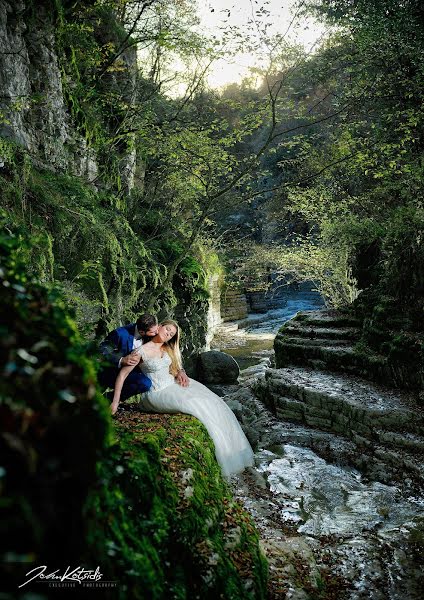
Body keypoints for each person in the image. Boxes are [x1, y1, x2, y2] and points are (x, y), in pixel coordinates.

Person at [111, 319, 254, 477]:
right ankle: (226, 457)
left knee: (212, 401)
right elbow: (122, 375)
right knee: (195, 404)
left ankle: (234, 452)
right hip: (157, 392)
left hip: (172, 384)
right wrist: (115, 403)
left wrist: (181, 372)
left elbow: (176, 366)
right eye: (167, 330)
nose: (168, 334)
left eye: (171, 334)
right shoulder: (141, 351)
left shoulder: (167, 348)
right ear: (159, 327)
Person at [98, 313, 188, 405]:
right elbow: (102, 351)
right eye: (154, 332)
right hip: (111, 372)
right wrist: (121, 360)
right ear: (142, 332)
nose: (157, 332)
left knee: (144, 383)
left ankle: (107, 398)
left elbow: (171, 353)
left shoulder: (153, 329)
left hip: (134, 375)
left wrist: (180, 370)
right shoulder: (120, 334)